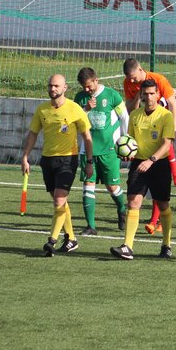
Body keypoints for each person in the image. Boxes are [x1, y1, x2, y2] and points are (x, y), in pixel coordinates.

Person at [21, 74, 94, 257]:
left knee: (59, 200)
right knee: (60, 201)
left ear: (65, 88)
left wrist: (89, 162)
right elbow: (33, 134)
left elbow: (87, 136)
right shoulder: (42, 110)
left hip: (68, 160)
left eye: (56, 86)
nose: (52, 89)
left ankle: (51, 241)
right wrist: (25, 157)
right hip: (47, 160)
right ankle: (71, 239)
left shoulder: (75, 109)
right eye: (50, 85)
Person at [110, 78, 176, 260]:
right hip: (138, 164)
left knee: (162, 205)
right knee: (133, 203)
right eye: (145, 94)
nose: (148, 97)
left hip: (159, 164)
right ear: (141, 95)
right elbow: (129, 140)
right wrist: (126, 154)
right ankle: (127, 246)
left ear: (158, 94)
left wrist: (151, 160)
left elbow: (167, 144)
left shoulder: (166, 116)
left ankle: (166, 245)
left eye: (152, 93)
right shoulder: (134, 115)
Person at [122, 58, 176, 234]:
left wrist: (173, 127)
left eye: (134, 77)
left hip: (161, 129)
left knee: (162, 198)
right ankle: (128, 244)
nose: (131, 81)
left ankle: (161, 227)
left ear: (141, 69)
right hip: (142, 135)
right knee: (133, 201)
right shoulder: (129, 84)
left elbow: (172, 103)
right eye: (129, 78)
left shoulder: (159, 80)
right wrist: (137, 96)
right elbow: (130, 109)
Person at [73, 67, 128, 235]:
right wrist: (85, 109)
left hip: (109, 149)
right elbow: (75, 121)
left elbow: (124, 117)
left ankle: (122, 209)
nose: (86, 89)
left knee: (112, 186)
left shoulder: (112, 95)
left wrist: (125, 140)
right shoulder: (80, 98)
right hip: (88, 150)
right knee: (88, 185)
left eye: (89, 86)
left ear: (96, 80)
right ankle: (91, 226)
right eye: (84, 87)